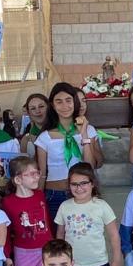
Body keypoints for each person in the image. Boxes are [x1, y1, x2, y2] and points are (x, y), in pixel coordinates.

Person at [55, 161, 122, 266]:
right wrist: (60, 262)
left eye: (84, 183)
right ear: (69, 185)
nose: (79, 188)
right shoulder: (65, 207)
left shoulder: (101, 206)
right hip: (73, 265)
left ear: (92, 184)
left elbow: (114, 235)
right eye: (74, 184)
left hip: (98, 263)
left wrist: (117, 259)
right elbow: (60, 235)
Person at [35, 82, 103, 216]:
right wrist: (38, 200)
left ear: (75, 102)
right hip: (55, 195)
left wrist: (83, 134)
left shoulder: (89, 131)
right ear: (53, 106)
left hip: (83, 193)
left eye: (68, 100)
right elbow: (42, 173)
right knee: (58, 236)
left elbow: (90, 165)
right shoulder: (44, 137)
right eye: (59, 102)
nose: (65, 106)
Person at [4, 155, 52, 266]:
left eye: (37, 172)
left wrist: (53, 244)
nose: (36, 177)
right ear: (18, 180)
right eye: (31, 174)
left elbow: (47, 221)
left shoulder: (40, 195)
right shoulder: (8, 202)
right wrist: (7, 254)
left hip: (46, 251)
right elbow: (6, 231)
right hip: (23, 254)